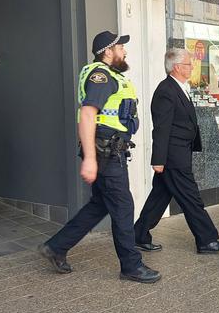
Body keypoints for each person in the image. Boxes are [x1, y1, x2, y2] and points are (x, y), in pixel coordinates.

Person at [38, 31, 161, 284]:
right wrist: (90, 158)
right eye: (120, 48)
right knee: (123, 207)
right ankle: (131, 266)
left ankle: (56, 246)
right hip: (106, 153)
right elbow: (86, 115)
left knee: (100, 204)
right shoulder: (101, 75)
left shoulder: (110, 75)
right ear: (108, 51)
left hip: (108, 151)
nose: (124, 51)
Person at [134, 48, 219, 254]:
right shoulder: (166, 91)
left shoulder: (179, 87)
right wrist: (158, 160)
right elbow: (161, 128)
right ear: (177, 67)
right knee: (191, 197)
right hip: (173, 157)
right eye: (188, 64)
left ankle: (138, 235)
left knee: (159, 197)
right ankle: (207, 240)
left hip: (179, 153)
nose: (192, 67)